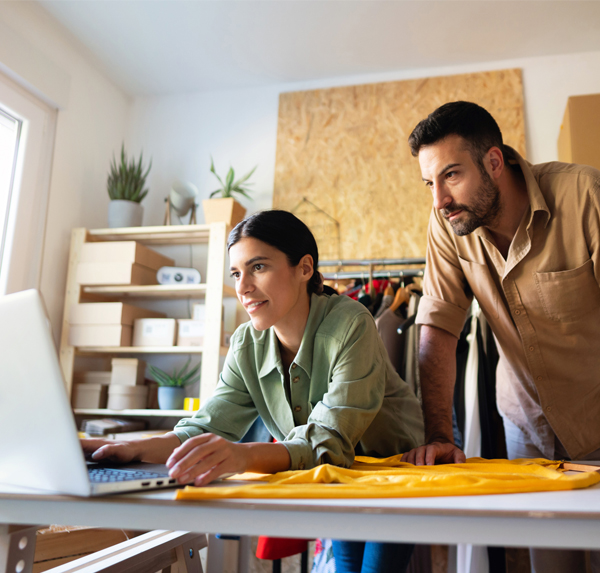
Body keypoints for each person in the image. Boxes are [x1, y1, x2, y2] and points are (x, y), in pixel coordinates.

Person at [83, 209, 424, 573]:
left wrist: (242, 456)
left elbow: (330, 438)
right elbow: (207, 426)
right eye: (236, 273)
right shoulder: (247, 341)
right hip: (339, 473)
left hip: (393, 471)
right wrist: (131, 448)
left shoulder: (352, 323)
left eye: (258, 267)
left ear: (305, 268)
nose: (242, 286)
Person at [403, 101, 600, 572]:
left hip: (596, 415)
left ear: (494, 161)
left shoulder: (583, 193)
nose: (439, 199)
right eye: (430, 183)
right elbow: (438, 328)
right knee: (551, 565)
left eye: (451, 175)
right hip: (527, 430)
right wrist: (439, 436)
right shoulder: (448, 225)